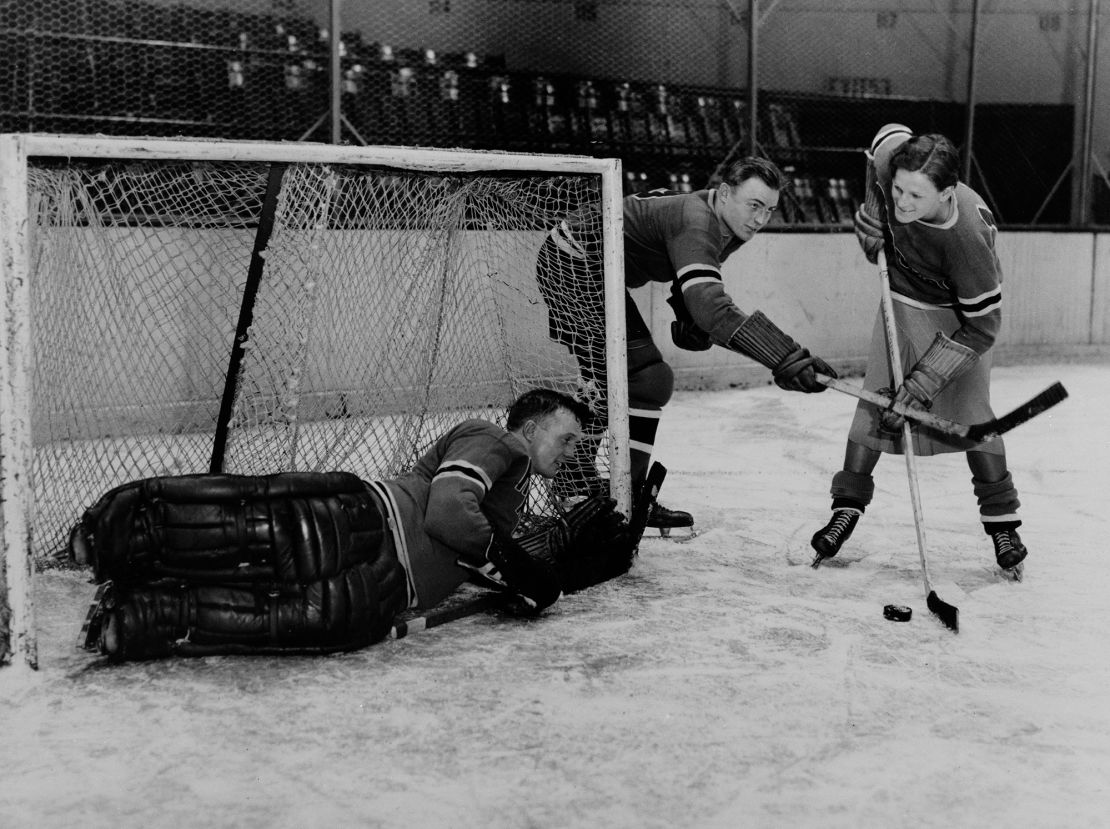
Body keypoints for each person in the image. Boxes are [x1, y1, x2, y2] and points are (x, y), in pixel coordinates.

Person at [71, 388, 638, 661]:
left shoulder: (513, 497)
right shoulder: (497, 442)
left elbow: (485, 558)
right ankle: (113, 536)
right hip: (364, 526)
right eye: (566, 439)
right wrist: (514, 562)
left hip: (383, 589)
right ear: (532, 425)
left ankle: (133, 616)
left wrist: (555, 575)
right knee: (241, 530)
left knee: (261, 612)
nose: (571, 453)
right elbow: (446, 511)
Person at [536, 156, 837, 533]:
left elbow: (692, 285)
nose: (761, 220)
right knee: (645, 379)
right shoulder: (698, 220)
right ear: (725, 193)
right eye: (755, 205)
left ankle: (607, 491)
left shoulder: (727, 222)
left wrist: (689, 311)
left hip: (593, 267)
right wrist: (787, 356)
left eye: (770, 210)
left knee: (633, 380)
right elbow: (710, 305)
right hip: (572, 264)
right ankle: (592, 491)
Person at [811, 125, 1028, 575]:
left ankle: (1002, 522)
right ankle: (846, 507)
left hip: (960, 320)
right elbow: (881, 146)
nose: (902, 202)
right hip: (904, 299)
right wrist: (872, 221)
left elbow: (983, 327)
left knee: (973, 418)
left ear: (948, 193)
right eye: (898, 191)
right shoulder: (897, 164)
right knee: (876, 400)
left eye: (916, 196)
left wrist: (925, 380)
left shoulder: (967, 239)